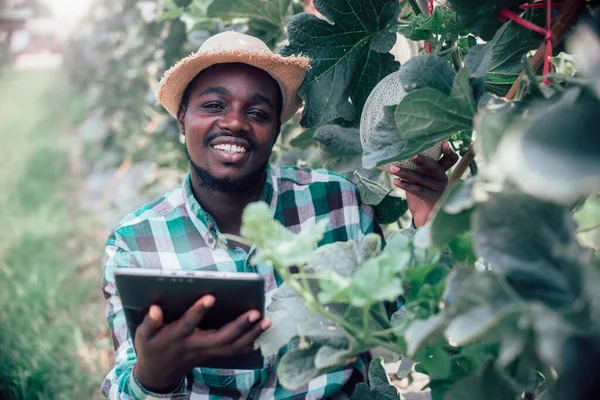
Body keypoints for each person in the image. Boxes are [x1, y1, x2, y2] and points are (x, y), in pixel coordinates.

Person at [101, 31, 458, 400]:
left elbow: (402, 318)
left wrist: (429, 225)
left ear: (276, 131)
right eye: (213, 105)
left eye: (257, 113)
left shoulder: (338, 201)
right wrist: (153, 377)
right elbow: (123, 385)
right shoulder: (136, 242)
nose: (235, 123)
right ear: (181, 120)